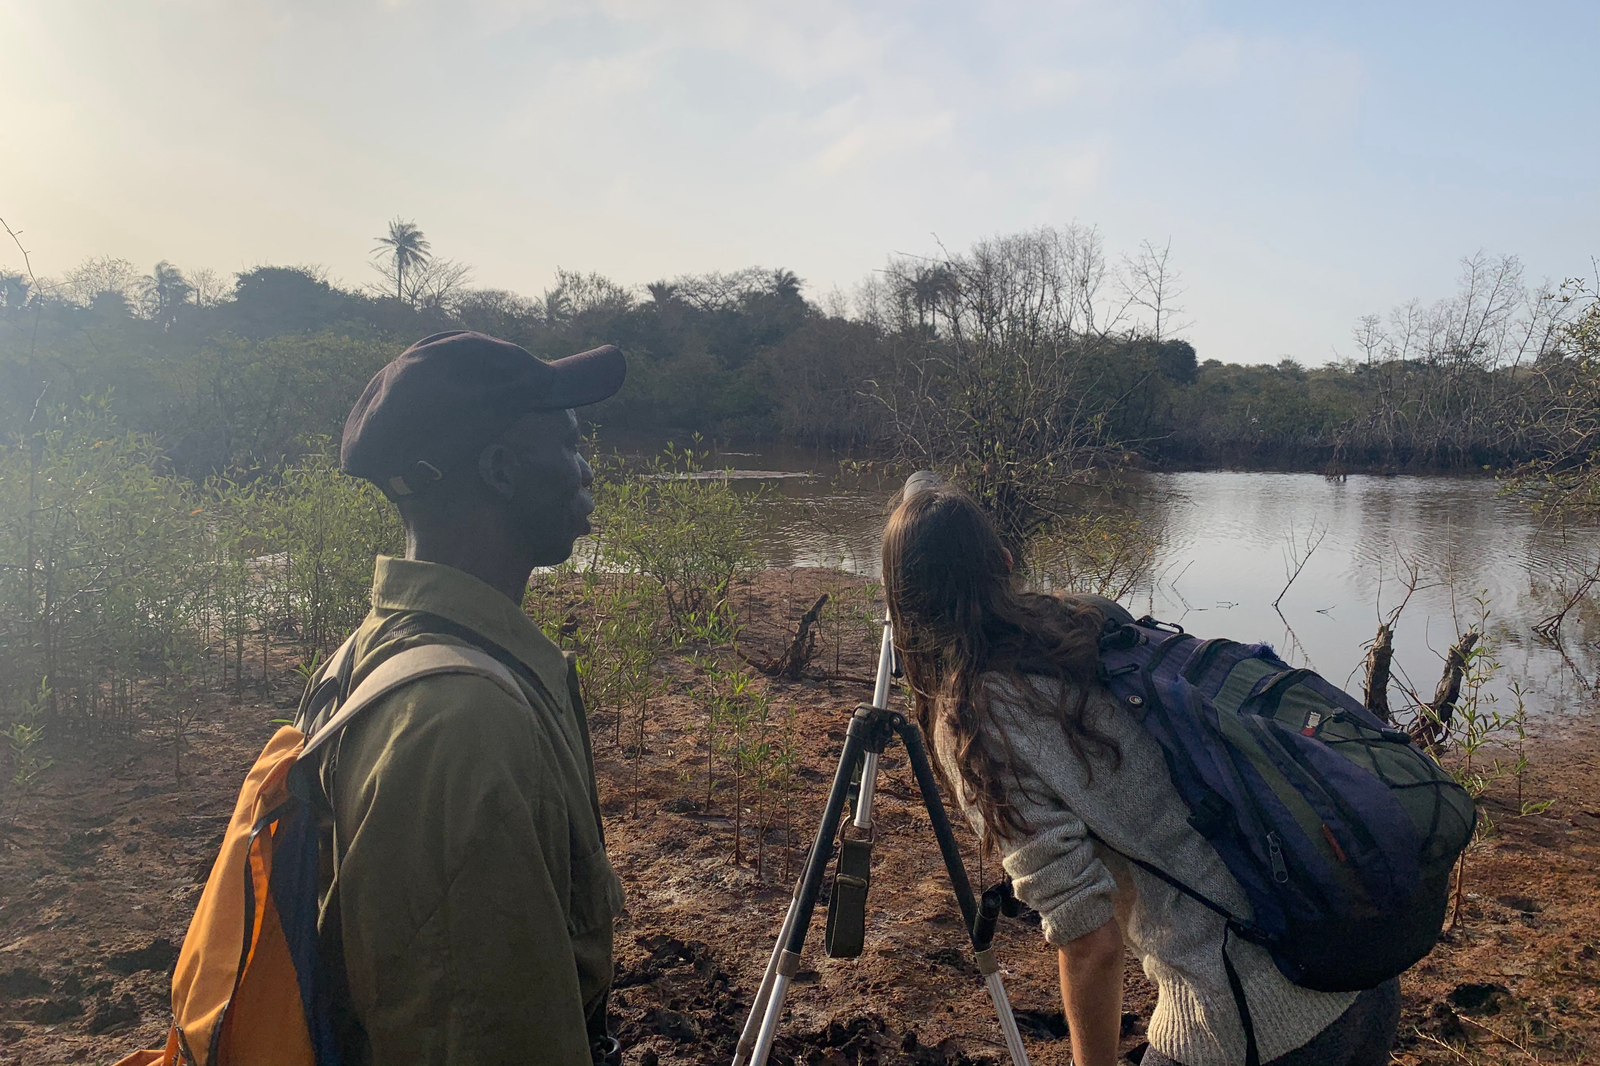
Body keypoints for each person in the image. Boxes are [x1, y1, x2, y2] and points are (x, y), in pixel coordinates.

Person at [880, 484, 1401, 1066]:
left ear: (903, 610)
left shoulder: (976, 720)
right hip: (1357, 966)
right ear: (1004, 563)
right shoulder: (1084, 624)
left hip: (1255, 1021)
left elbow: (1091, 942)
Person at [309, 330, 627, 1065]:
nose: (585, 469)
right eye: (570, 444)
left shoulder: (373, 651)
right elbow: (475, 1033)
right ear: (501, 470)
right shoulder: (460, 724)